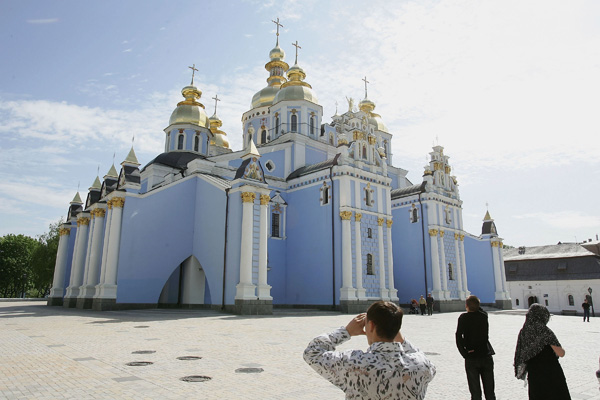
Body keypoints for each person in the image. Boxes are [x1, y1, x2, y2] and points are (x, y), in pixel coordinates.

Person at [303, 301, 436, 399]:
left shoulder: (354, 363)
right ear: (397, 329)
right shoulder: (422, 365)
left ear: (370, 326)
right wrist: (400, 338)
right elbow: (418, 356)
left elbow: (312, 352)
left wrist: (346, 331)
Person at [514, 303, 571, 400]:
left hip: (534, 375)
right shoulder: (543, 330)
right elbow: (561, 353)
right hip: (551, 373)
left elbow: (521, 353)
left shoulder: (523, 331)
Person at [455, 295, 496, 400]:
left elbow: (458, 336)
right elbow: (479, 310)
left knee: (475, 392)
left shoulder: (463, 318)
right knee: (490, 391)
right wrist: (475, 305)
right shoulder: (483, 316)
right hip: (485, 355)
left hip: (471, 356)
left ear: (466, 306)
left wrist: (464, 353)